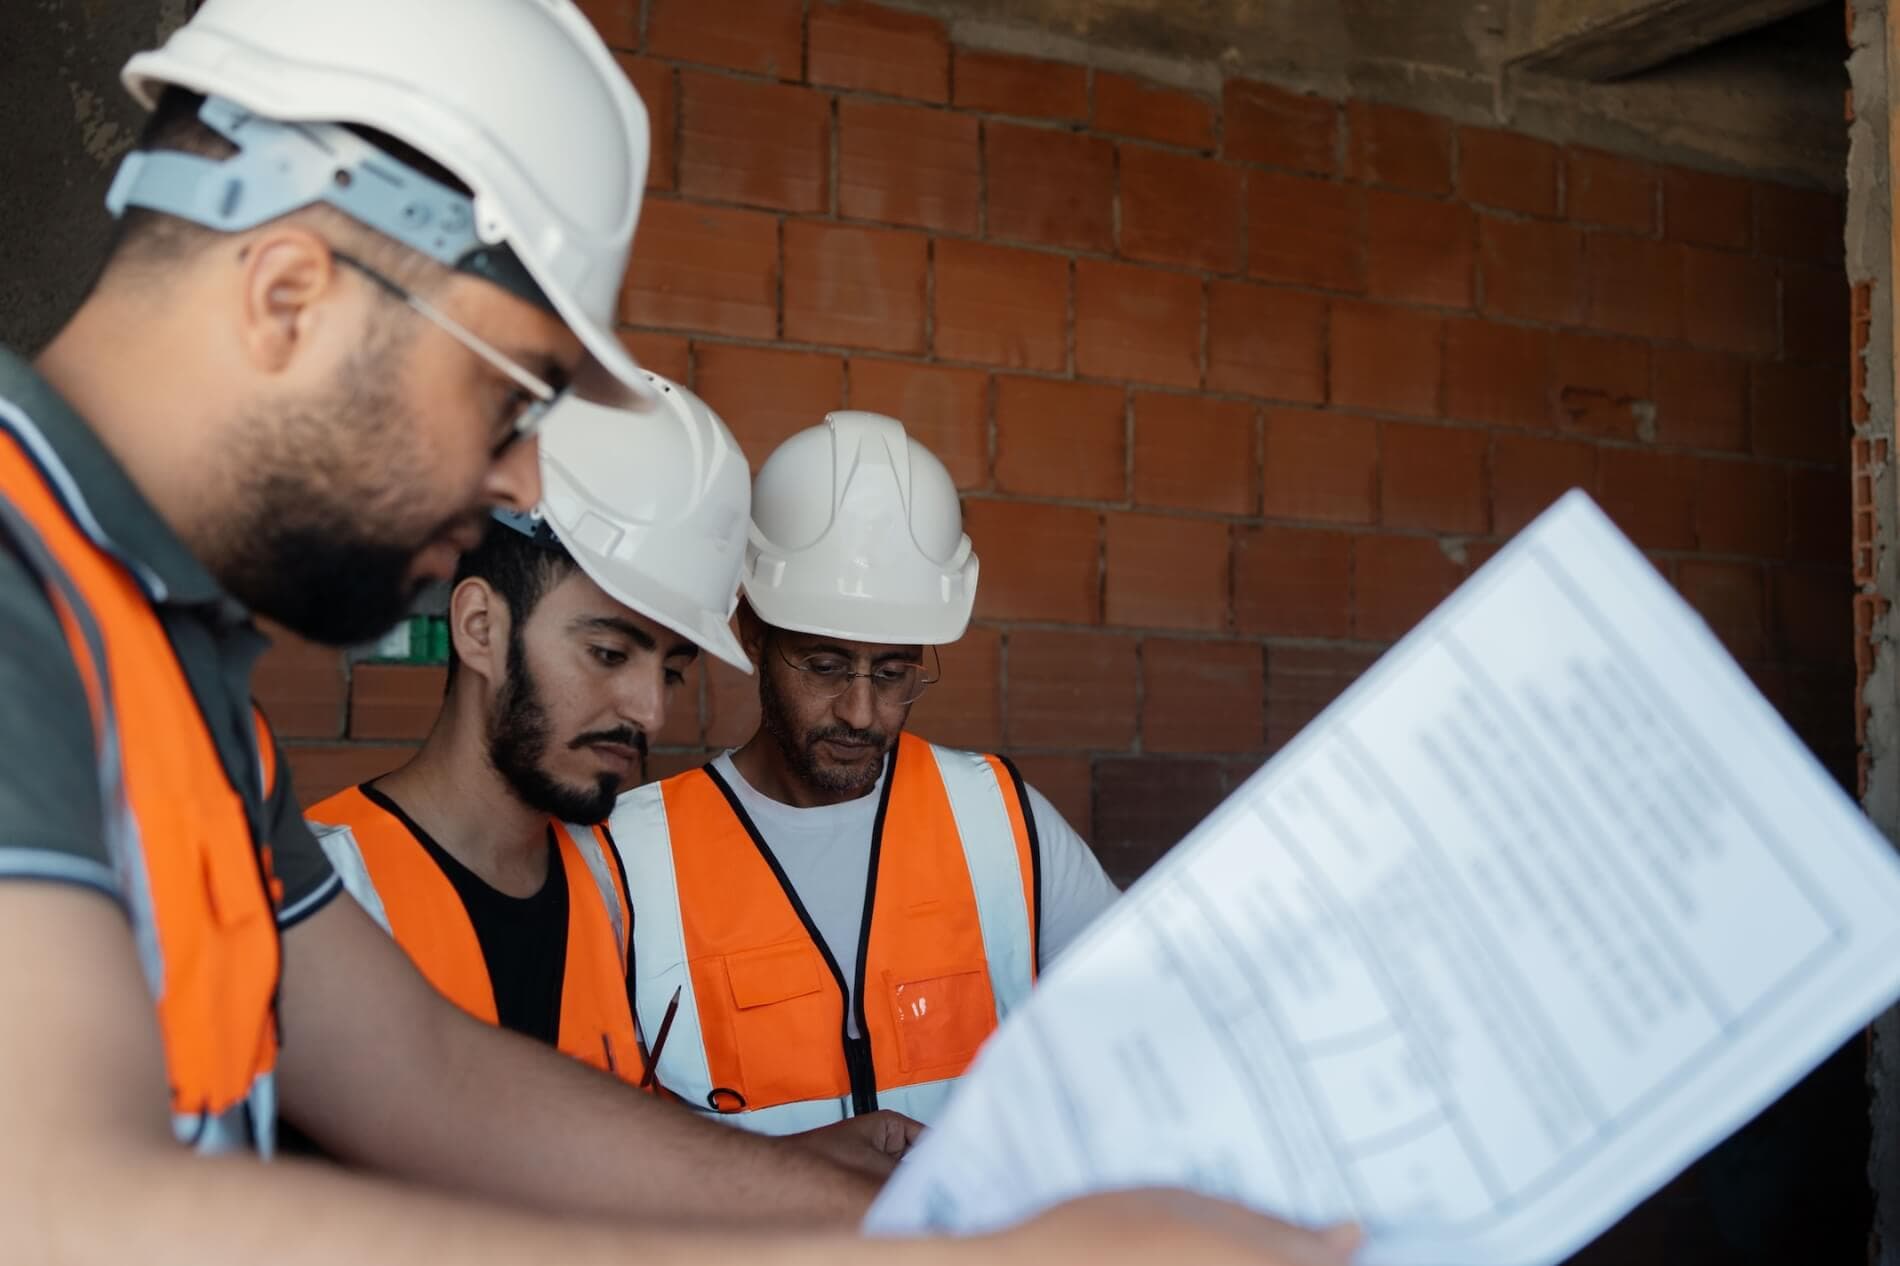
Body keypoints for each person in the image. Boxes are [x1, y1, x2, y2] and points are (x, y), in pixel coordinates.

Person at [0, 0, 1354, 1259]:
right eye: (509, 397)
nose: (519, 479)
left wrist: (916, 1223)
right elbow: (63, 1210)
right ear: (290, 295)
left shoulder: (167, 673)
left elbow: (431, 1078)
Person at [302, 382, 914, 1169]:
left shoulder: (609, 883)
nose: (650, 712)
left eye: (672, 670)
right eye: (608, 653)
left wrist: (804, 1163)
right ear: (480, 628)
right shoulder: (323, 895)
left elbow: (585, 1173)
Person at [611, 411, 1121, 1132]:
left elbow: (1142, 1030)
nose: (860, 712)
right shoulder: (631, 857)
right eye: (824, 666)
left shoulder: (1003, 824)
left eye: (892, 673)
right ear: (752, 633)